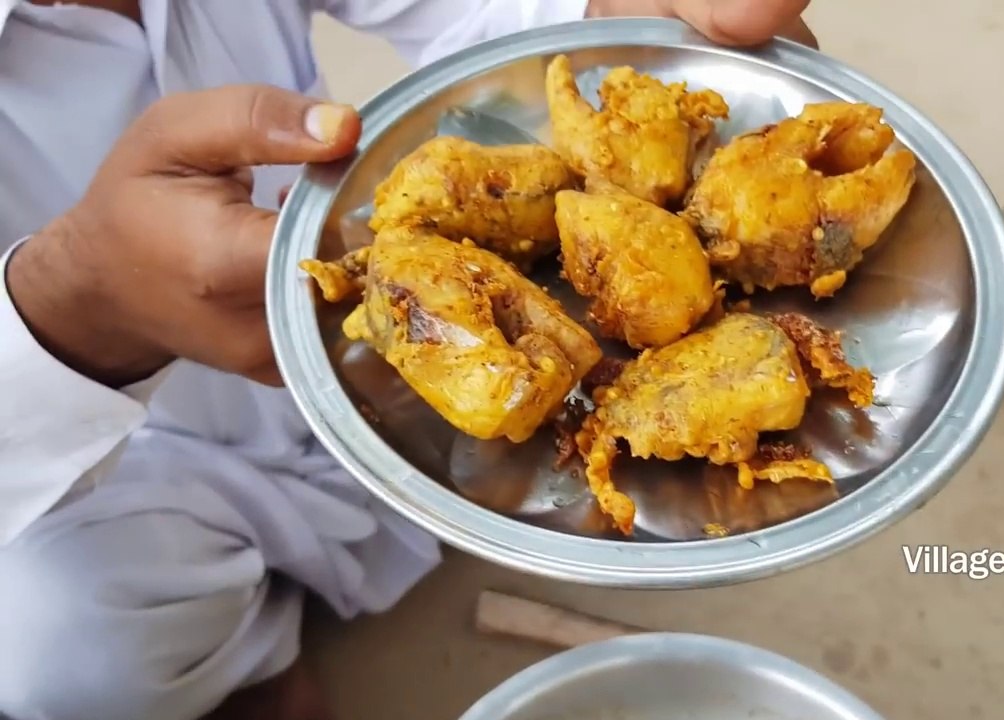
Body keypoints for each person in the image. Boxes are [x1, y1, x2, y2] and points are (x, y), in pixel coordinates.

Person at [0, 1, 816, 718]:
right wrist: (71, 302)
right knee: (62, 648)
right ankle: (242, 678)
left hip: (397, 370)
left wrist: (600, 13)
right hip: (103, 479)